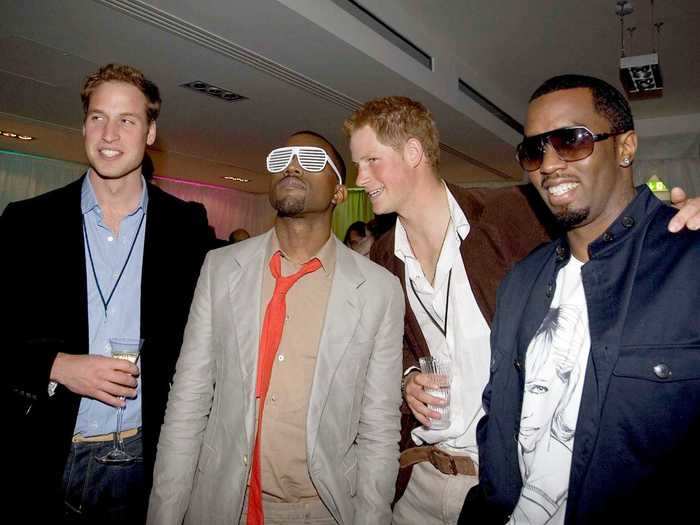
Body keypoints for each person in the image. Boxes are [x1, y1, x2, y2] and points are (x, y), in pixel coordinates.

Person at [344, 95, 700, 525]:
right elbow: (393, 344)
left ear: (414, 153)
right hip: (419, 478)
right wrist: (407, 378)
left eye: (370, 161)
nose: (360, 177)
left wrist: (669, 224)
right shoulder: (384, 254)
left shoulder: (513, 214)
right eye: (357, 164)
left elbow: (604, 234)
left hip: (504, 482)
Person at [459, 74, 700, 525]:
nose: (548, 164)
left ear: (625, 147)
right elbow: (501, 414)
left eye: (571, 140)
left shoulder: (688, 259)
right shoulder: (521, 281)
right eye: (533, 150)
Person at [147, 131, 404, 525]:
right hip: (220, 503)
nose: (292, 166)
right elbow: (188, 400)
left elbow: (379, 428)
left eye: (312, 160)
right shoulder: (221, 269)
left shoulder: (379, 291)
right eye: (282, 157)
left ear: (338, 192)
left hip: (321, 510)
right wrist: (164, 514)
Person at [0, 63, 211, 524]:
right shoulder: (27, 222)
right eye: (98, 117)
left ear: (151, 132)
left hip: (145, 458)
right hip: (45, 455)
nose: (109, 134)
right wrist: (57, 365)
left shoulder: (186, 227)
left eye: (127, 120)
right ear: (83, 126)